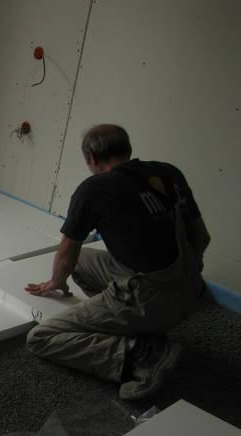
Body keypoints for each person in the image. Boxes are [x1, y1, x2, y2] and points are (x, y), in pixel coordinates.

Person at [25, 124, 210, 400]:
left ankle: (144, 356)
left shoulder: (94, 189)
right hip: (192, 288)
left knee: (42, 337)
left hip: (149, 299)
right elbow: (202, 238)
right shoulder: (168, 173)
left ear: (91, 158)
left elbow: (67, 250)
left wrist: (56, 281)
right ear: (127, 149)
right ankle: (136, 326)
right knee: (82, 261)